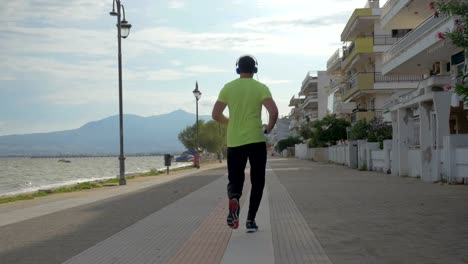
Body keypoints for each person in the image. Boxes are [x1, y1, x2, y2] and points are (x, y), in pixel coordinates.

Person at [212, 55, 278, 233]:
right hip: (256, 140)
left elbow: (216, 114)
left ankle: (234, 198)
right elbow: (273, 111)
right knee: (257, 181)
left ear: (237, 69)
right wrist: (268, 129)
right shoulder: (260, 87)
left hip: (235, 141)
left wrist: (230, 123)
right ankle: (250, 220)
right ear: (254, 69)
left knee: (235, 178)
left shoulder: (228, 88)